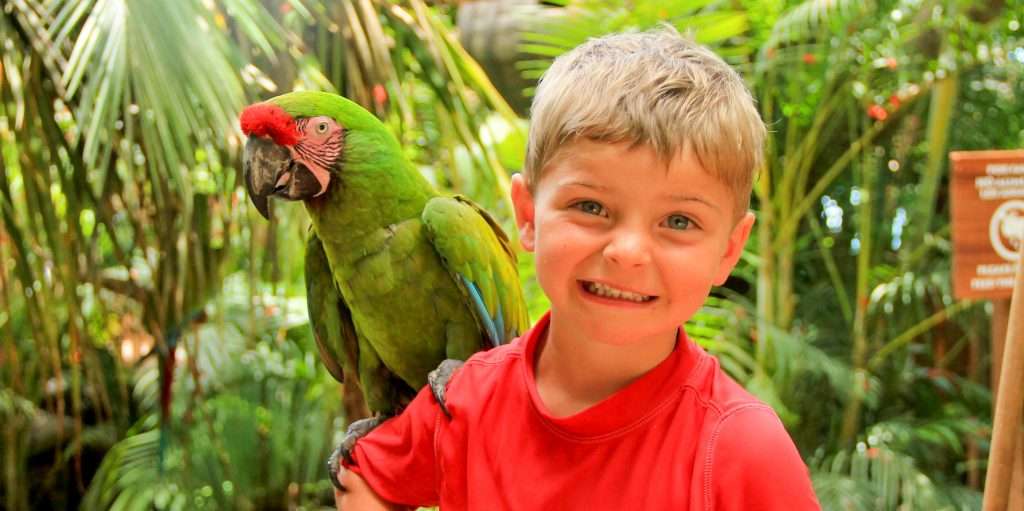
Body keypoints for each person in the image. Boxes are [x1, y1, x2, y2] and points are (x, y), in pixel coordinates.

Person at [334, 28, 821, 510]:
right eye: (590, 206)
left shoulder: (740, 447)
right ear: (527, 215)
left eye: (679, 221)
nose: (627, 251)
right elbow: (366, 479)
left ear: (729, 250)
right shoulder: (466, 398)